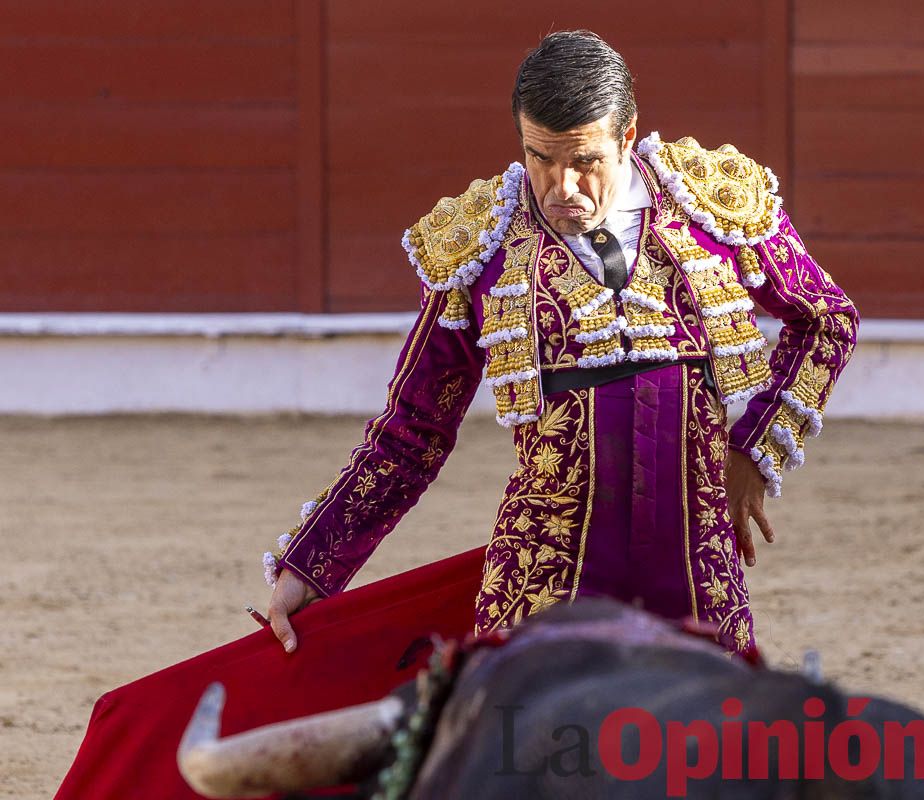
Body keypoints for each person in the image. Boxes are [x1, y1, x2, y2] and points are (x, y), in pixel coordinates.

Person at [261, 30, 858, 657]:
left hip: (696, 557)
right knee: (523, 744)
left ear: (626, 137)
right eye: (539, 157)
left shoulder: (711, 205)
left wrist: (753, 453)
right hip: (547, 570)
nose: (559, 185)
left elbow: (827, 318)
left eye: (583, 161)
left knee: (713, 745)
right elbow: (413, 430)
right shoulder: (481, 246)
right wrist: (311, 566)